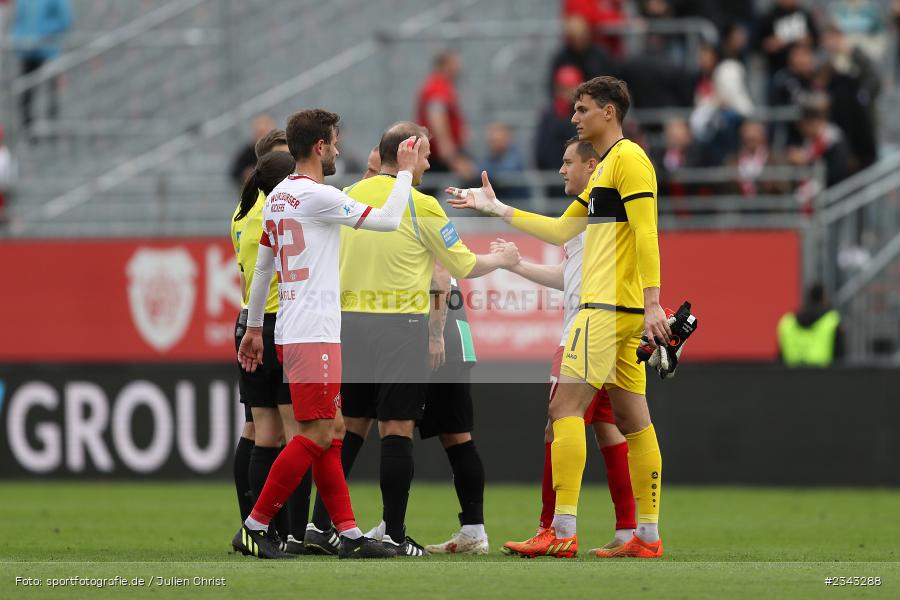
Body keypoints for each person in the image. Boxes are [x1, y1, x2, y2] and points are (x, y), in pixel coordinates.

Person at [448, 76, 669, 558]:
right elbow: (560, 229)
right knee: (634, 422)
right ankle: (647, 536)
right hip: (621, 310)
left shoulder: (627, 159)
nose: (574, 118)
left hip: (605, 309)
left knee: (564, 411)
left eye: (583, 109)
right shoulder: (610, 166)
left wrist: (655, 301)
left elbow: (648, 232)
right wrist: (496, 208)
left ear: (609, 112)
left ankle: (561, 530)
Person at [306, 121, 519, 558]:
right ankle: (395, 533)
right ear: (406, 152)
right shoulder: (421, 205)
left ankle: (321, 525)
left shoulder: (346, 197)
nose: (427, 163)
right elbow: (458, 265)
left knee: (347, 429)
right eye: (423, 154)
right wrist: (502, 257)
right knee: (397, 429)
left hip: (349, 323)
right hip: (401, 324)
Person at [231, 108, 421, 560]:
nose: (338, 150)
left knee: (332, 431)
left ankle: (349, 534)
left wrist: (254, 328)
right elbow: (389, 219)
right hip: (313, 332)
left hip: (298, 329)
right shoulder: (317, 196)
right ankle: (255, 526)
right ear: (319, 146)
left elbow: (262, 271)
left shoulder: (277, 199)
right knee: (314, 436)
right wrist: (406, 174)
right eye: (334, 142)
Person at [496, 137, 636, 556]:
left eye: (567, 161)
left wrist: (498, 209)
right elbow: (568, 275)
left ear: (592, 166)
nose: (561, 169)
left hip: (587, 328)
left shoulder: (595, 213)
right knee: (611, 428)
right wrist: (518, 265)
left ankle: (554, 528)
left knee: (561, 421)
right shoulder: (594, 219)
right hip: (607, 325)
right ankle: (631, 529)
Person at [230, 129, 313, 555]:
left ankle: (259, 528)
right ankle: (289, 531)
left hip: (249, 321)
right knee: (300, 435)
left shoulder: (242, 213)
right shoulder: (282, 215)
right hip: (281, 324)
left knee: (261, 432)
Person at [12, 0, 73, 131]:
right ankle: (28, 131)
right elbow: (19, 20)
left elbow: (64, 20)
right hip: (27, 52)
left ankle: (52, 129)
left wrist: (42, 35)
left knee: (50, 94)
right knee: (26, 92)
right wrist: (19, 39)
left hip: (48, 51)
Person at [415, 51, 472, 180]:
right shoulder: (437, 87)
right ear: (444, 66)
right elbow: (436, 117)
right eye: (454, 64)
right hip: (437, 153)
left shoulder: (443, 86)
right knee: (472, 182)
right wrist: (450, 155)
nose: (459, 68)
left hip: (437, 152)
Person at [778, 283, 843, 367]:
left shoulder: (787, 323)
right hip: (824, 377)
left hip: (792, 378)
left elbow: (780, 359)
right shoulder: (832, 321)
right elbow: (840, 359)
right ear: (824, 298)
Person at [548, 15, 613, 94]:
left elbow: (610, 82)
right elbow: (553, 87)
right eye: (575, 37)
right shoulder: (561, 58)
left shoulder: (600, 55)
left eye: (581, 35)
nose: (579, 41)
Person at [757, 0, 819, 80]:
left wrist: (806, 41)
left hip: (805, 71)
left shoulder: (804, 14)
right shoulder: (768, 17)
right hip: (778, 69)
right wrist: (773, 44)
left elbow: (816, 39)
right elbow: (759, 46)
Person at [478, 121, 528, 200]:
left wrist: (475, 173)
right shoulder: (491, 156)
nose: (492, 144)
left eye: (496, 141)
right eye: (491, 141)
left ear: (506, 139)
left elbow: (505, 176)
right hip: (500, 204)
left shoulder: (514, 155)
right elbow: (480, 170)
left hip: (516, 204)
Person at [229, 114, 276, 190]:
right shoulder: (247, 152)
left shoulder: (278, 151)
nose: (262, 138)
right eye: (259, 133)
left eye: (264, 133)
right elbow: (235, 172)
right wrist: (245, 175)